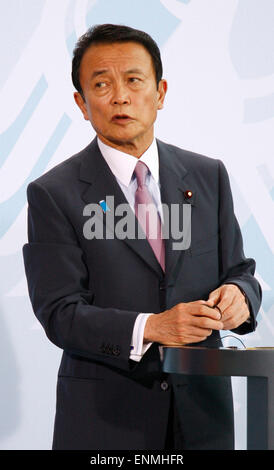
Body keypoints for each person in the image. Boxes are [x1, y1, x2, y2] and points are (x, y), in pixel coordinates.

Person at [22, 24, 261, 450]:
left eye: (133, 80)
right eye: (101, 84)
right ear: (81, 102)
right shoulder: (53, 194)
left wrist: (240, 297)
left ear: (161, 92)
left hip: (204, 420)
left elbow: (240, 272)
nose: (119, 97)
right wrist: (152, 327)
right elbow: (59, 312)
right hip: (107, 422)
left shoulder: (209, 176)